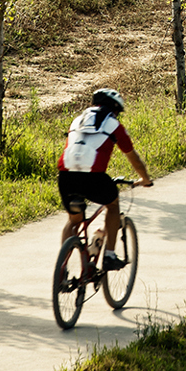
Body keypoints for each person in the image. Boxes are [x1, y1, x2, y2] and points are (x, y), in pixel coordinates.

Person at [57, 87, 151, 269]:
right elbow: (134, 158)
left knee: (74, 221)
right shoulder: (114, 125)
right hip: (93, 178)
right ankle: (109, 255)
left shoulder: (77, 121)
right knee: (113, 205)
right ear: (115, 109)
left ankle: (62, 269)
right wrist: (145, 179)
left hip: (66, 176)